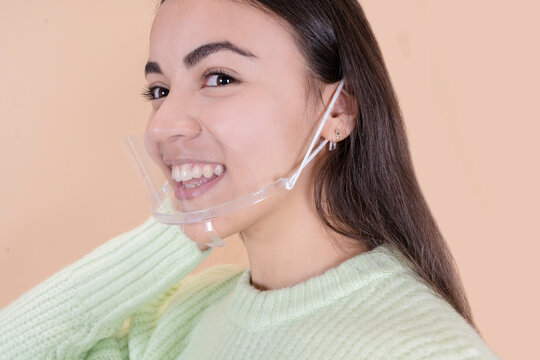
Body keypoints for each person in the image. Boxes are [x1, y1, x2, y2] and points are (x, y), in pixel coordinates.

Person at [0, 0, 499, 358]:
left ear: (337, 111)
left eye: (219, 78)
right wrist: (181, 223)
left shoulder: (420, 348)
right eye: (159, 89)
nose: (162, 125)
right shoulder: (181, 318)